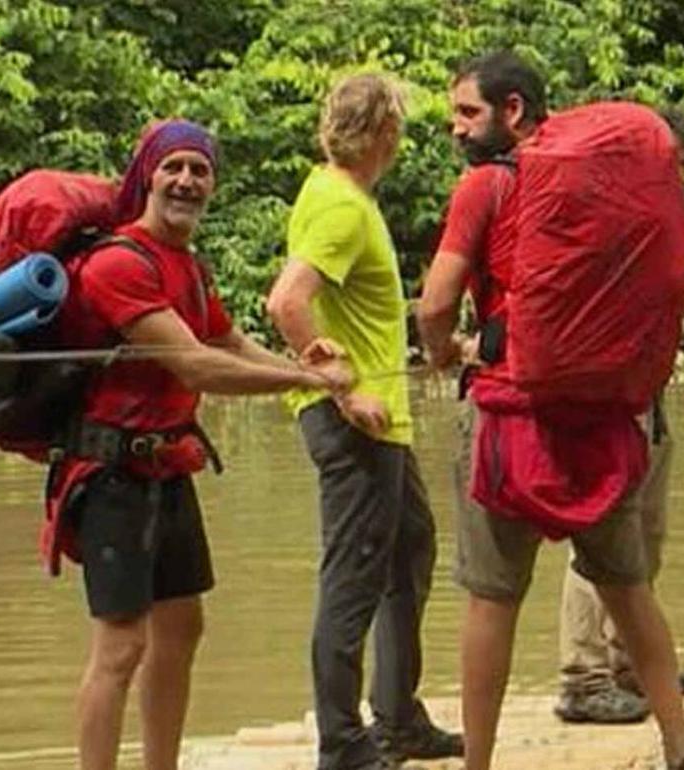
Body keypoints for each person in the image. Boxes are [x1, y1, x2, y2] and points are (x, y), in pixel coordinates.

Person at [415, 50, 684, 770]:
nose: (456, 130)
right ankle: (679, 745)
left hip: (509, 416)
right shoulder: (606, 186)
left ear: (513, 111)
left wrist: (445, 348)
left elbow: (438, 299)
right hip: (603, 418)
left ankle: (477, 763)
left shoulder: (485, 185)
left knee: (492, 598)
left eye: (467, 113)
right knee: (630, 592)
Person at [48, 119, 346, 770]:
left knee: (182, 629)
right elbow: (197, 366)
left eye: (199, 170)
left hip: (167, 467)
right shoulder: (119, 262)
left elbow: (228, 343)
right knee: (121, 646)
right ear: (147, 177)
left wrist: (306, 358)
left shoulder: (188, 265)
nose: (186, 181)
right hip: (111, 473)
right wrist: (305, 379)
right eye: (173, 167)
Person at [266, 74, 462, 770]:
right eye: (398, 129)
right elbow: (287, 301)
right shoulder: (344, 208)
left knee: (409, 553)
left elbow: (354, 304)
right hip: (360, 422)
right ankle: (344, 745)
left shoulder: (333, 193)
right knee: (353, 579)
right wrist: (340, 386)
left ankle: (399, 715)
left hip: (386, 422)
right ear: (385, 133)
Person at [553, 106, 684, 725]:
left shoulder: (652, 208)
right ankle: (582, 674)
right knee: (600, 540)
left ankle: (630, 661)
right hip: (611, 394)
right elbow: (669, 283)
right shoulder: (612, 209)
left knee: (647, 534)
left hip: (648, 388)